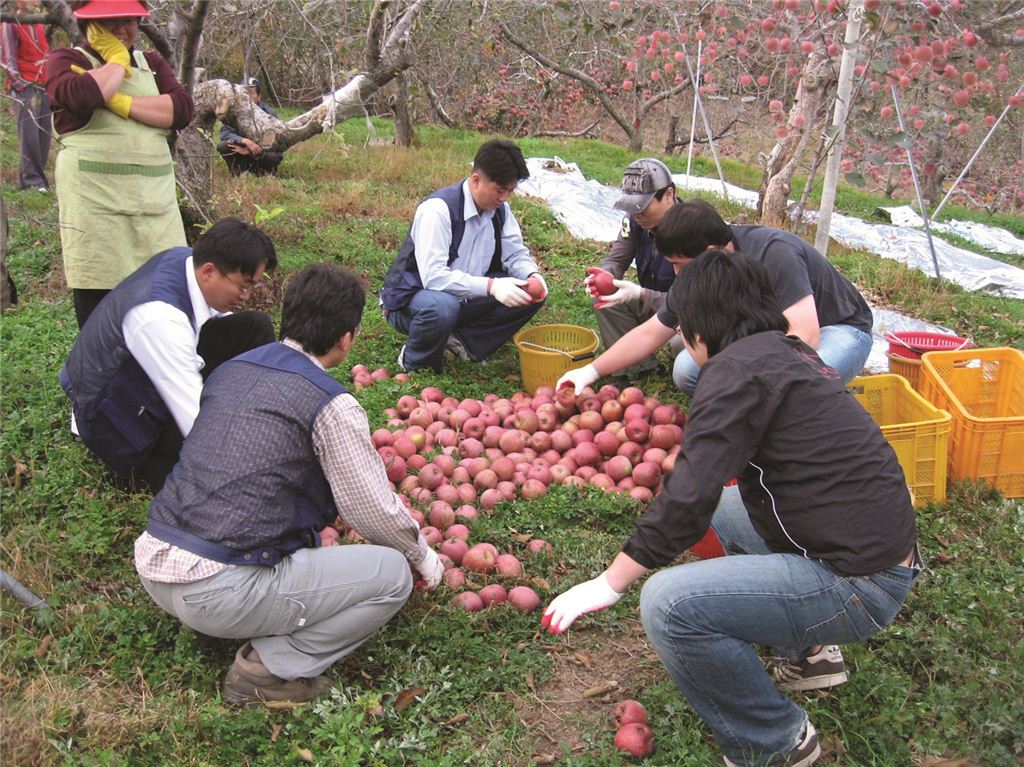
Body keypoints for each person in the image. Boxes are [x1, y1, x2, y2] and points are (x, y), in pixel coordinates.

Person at [543, 249, 920, 767]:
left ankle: (774, 742)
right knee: (724, 508)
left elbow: (686, 494)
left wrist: (609, 583)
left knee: (668, 604)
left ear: (699, 329)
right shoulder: (787, 350)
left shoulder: (732, 372)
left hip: (860, 583)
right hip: (878, 550)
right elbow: (706, 493)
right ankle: (809, 654)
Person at [134, 263, 444, 707]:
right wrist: (421, 555)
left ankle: (233, 612)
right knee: (392, 575)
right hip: (219, 591)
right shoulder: (330, 403)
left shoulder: (230, 371)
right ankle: (269, 667)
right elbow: (372, 513)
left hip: (156, 564)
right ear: (346, 339)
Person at [558, 200, 873, 396]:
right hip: (769, 336)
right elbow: (653, 331)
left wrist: (746, 378)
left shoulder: (774, 253)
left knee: (798, 383)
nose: (678, 275)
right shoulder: (699, 268)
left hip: (840, 330)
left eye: (680, 265)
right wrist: (591, 371)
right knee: (688, 370)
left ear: (710, 251)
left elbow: (805, 336)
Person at [60, 217, 277, 493]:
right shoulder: (160, 319)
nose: (246, 296)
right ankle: (133, 472)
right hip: (114, 419)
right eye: (243, 286)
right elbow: (195, 421)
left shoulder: (187, 261)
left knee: (254, 327)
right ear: (209, 271)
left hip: (140, 376)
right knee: (204, 482)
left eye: (252, 287)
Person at [46, 0, 194, 328]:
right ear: (89, 25)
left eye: (127, 20)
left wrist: (120, 102)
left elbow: (181, 109)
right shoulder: (66, 60)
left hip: (154, 210)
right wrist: (115, 60)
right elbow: (83, 96)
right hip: (97, 214)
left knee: (163, 311)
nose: (121, 29)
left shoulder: (151, 62)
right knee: (101, 320)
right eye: (108, 21)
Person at [380, 139, 547, 373]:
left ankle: (462, 342)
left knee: (527, 293)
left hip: (465, 297)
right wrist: (492, 286)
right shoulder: (438, 210)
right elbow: (434, 279)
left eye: (510, 191)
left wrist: (532, 276)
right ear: (476, 180)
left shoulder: (500, 211)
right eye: (500, 190)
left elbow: (515, 253)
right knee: (441, 307)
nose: (505, 198)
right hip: (412, 301)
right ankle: (416, 363)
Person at [585, 158, 682, 377]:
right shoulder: (635, 222)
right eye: (632, 207)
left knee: (682, 347)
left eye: (643, 206)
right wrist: (606, 276)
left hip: (685, 312)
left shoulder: (694, 228)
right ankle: (640, 367)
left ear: (668, 195)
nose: (638, 214)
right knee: (605, 298)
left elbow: (695, 300)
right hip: (654, 304)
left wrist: (640, 293)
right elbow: (617, 259)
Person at [1, 0, 52, 192]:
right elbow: (8, 57)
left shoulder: (42, 22)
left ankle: (37, 178)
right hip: (25, 86)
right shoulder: (10, 22)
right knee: (29, 134)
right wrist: (20, 85)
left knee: (44, 133)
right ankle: (31, 181)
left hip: (44, 84)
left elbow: (48, 53)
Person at [217, 76, 283, 177]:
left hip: (262, 152)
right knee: (223, 146)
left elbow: (277, 140)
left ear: (259, 96)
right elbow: (225, 133)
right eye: (244, 93)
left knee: (274, 156)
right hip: (241, 148)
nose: (247, 97)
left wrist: (251, 151)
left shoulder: (269, 113)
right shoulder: (233, 112)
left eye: (251, 93)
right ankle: (239, 172)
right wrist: (246, 142)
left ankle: (266, 173)